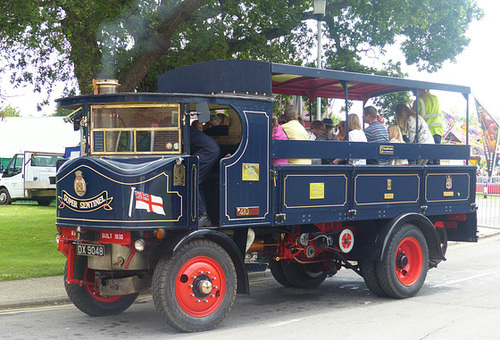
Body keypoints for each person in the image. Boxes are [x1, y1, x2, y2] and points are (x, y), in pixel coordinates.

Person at [190, 126, 221, 227]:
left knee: (192, 180)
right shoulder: (189, 130)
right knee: (197, 182)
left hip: (208, 152)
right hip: (207, 150)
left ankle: (203, 215)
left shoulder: (184, 130)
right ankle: (202, 215)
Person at [414, 89, 442, 164]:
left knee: (428, 162)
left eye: (415, 93)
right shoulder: (435, 98)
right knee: (436, 160)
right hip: (438, 132)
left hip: (427, 134)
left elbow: (414, 117)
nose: (414, 95)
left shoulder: (419, 101)